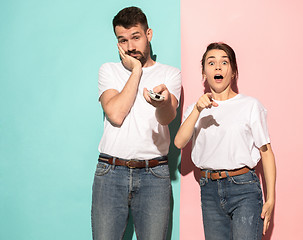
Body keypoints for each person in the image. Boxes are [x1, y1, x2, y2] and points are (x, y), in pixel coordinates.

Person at [91, 6, 181, 240]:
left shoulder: (170, 74)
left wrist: (161, 103)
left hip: (155, 174)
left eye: (136, 37)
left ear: (148, 34)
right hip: (110, 172)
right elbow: (116, 114)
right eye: (122, 40)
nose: (130, 46)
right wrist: (137, 71)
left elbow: (167, 118)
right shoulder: (108, 71)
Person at [174, 42, 276, 240]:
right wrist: (197, 110)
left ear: (233, 71)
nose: (218, 67)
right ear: (204, 73)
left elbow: (266, 152)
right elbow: (179, 142)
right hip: (209, 189)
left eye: (224, 62)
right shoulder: (197, 109)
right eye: (211, 63)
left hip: (244, 188)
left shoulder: (250, 105)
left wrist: (270, 198)